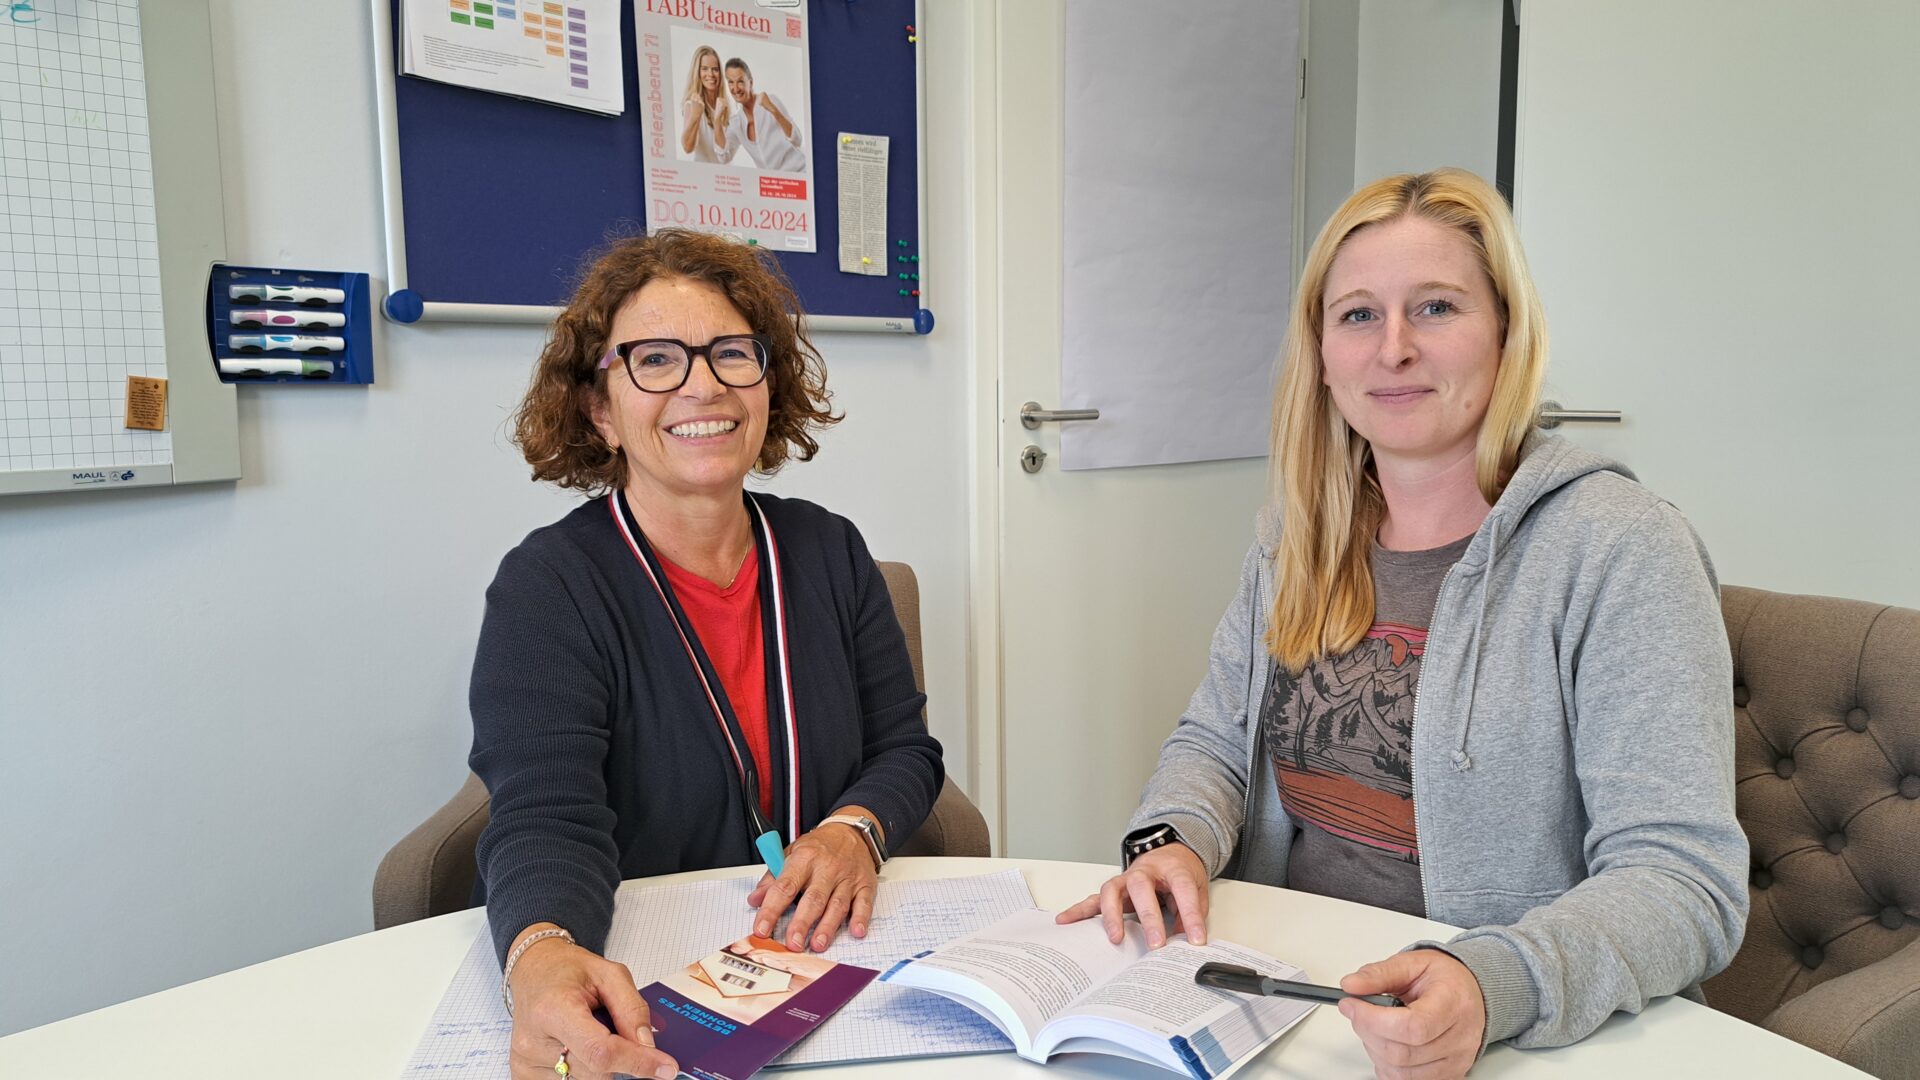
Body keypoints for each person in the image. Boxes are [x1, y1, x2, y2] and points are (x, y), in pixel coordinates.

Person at [1058, 168, 1748, 1079]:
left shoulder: (1619, 547)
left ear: (1505, 332)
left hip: (1508, 1025)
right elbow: (1214, 742)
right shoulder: (1296, 538)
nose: (1393, 350)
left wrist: (1489, 981)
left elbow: (1683, 881)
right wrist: (1170, 842)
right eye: (1357, 316)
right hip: (1291, 997)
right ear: (1321, 352)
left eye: (1434, 308)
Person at [471, 228, 943, 1080]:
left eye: (733, 353)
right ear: (600, 409)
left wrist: (852, 830)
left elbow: (905, 749)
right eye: (656, 359)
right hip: (657, 978)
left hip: (832, 961)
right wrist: (542, 953)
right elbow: (546, 813)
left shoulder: (829, 550)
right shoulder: (548, 584)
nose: (704, 384)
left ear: (767, 385)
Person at [722, 58, 806, 172]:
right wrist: (717, 121)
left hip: (798, 172)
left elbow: (797, 140)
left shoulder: (771, 101)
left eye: (740, 81)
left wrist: (773, 110)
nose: (735, 88)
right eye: (731, 82)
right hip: (773, 185)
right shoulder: (736, 124)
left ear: (750, 83)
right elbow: (724, 157)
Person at [679, 45, 730, 164]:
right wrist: (695, 116)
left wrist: (717, 120)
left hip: (726, 176)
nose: (710, 74)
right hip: (704, 176)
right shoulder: (691, 105)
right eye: (705, 69)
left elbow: (724, 153)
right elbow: (687, 148)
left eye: (715, 69)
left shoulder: (724, 107)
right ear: (697, 72)